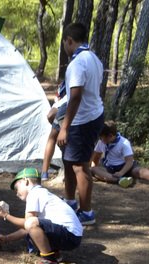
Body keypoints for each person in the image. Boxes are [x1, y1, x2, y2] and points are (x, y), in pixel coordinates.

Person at [0, 167, 83, 264]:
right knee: (33, 226)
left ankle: (50, 261)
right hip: (72, 236)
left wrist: (6, 215)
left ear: (26, 181)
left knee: (31, 223)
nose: (16, 194)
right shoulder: (42, 194)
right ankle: (55, 255)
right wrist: (7, 238)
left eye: (17, 188)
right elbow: (28, 229)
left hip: (69, 234)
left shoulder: (35, 193)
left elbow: (28, 224)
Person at [57, 23, 104, 225]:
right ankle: (69, 201)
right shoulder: (94, 59)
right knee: (70, 162)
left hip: (83, 120)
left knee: (79, 165)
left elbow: (75, 96)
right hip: (89, 116)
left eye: (65, 44)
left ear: (69, 40)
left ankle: (86, 212)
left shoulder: (78, 63)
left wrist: (64, 128)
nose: (65, 48)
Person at [91, 121, 149, 192]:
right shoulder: (101, 143)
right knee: (94, 169)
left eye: (102, 137)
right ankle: (120, 180)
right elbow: (96, 157)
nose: (100, 140)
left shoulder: (124, 143)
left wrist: (121, 172)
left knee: (139, 171)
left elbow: (129, 161)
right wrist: (93, 169)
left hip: (126, 167)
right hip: (110, 169)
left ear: (110, 136)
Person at [40, 82, 68, 182]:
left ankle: (44, 172)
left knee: (52, 138)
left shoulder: (63, 100)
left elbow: (50, 115)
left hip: (67, 107)